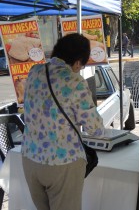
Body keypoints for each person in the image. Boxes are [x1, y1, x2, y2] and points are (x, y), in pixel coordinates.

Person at [21, 33, 105, 210]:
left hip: (30, 158)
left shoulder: (34, 72)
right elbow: (95, 129)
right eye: (81, 65)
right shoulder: (74, 81)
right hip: (62, 163)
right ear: (77, 62)